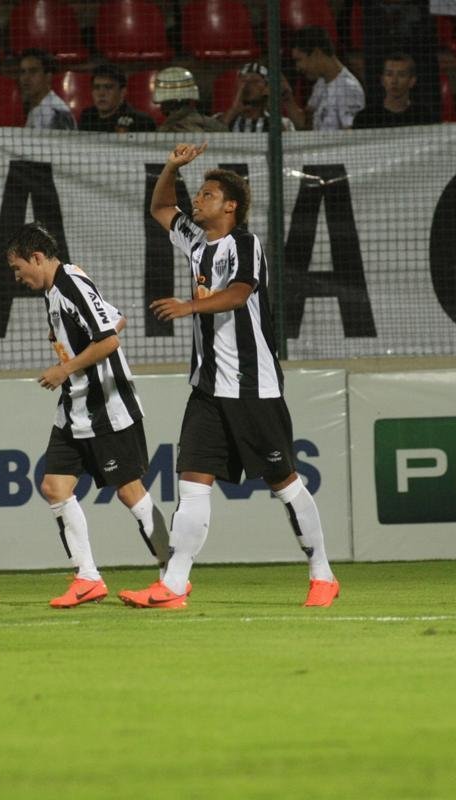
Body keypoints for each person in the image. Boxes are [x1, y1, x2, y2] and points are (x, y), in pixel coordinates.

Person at [119, 143, 340, 610]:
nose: (197, 200)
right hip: (207, 388)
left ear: (230, 206)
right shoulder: (195, 241)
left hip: (251, 386)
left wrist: (189, 306)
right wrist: (172, 166)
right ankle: (174, 586)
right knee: (192, 482)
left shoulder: (244, 244)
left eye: (206, 194)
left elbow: (239, 294)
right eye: (197, 194)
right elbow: (160, 206)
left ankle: (322, 573)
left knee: (284, 481)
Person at [4, 223, 170, 608]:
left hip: (106, 409)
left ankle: (172, 577)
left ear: (37, 258)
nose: (17, 277)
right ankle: (88, 577)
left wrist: (65, 367)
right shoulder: (62, 284)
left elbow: (110, 339)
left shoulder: (71, 285)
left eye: (18, 268)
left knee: (131, 493)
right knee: (54, 487)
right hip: (74, 407)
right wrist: (67, 343)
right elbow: (115, 319)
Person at [284, 25, 365, 130]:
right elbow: (305, 124)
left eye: (299, 60)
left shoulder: (348, 88)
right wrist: (286, 96)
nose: (297, 68)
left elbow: (351, 138)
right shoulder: (321, 83)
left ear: (317, 53)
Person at [353, 52, 425, 128]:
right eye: (389, 74)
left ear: (412, 81)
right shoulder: (365, 118)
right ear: (382, 80)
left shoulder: (423, 115)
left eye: (401, 75)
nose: (394, 81)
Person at [78, 64, 157, 133]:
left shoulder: (140, 122)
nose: (101, 93)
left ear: (122, 92)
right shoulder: (87, 116)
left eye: (108, 87)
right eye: (96, 87)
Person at [221, 61, 295, 132]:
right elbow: (213, 137)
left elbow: (287, 142)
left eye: (255, 81)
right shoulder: (224, 119)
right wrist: (234, 110)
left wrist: (272, 110)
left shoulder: (283, 123)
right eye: (243, 81)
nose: (247, 85)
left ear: (266, 88)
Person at [153, 66, 227, 133]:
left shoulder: (165, 131)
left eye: (162, 102)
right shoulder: (216, 126)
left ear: (168, 102)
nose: (161, 105)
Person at [18, 49, 77, 131]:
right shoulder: (35, 108)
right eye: (23, 72)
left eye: (33, 71)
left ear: (48, 77)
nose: (25, 78)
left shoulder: (56, 113)